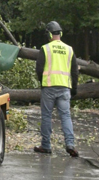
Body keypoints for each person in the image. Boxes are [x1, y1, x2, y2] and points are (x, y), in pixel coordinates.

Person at [33, 21, 79, 157]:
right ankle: (70, 144)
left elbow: (39, 69)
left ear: (48, 33)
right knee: (65, 116)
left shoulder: (45, 48)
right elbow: (75, 71)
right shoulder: (69, 49)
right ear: (61, 33)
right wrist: (74, 88)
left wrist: (42, 83)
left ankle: (46, 145)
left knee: (46, 116)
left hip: (48, 87)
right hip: (64, 87)